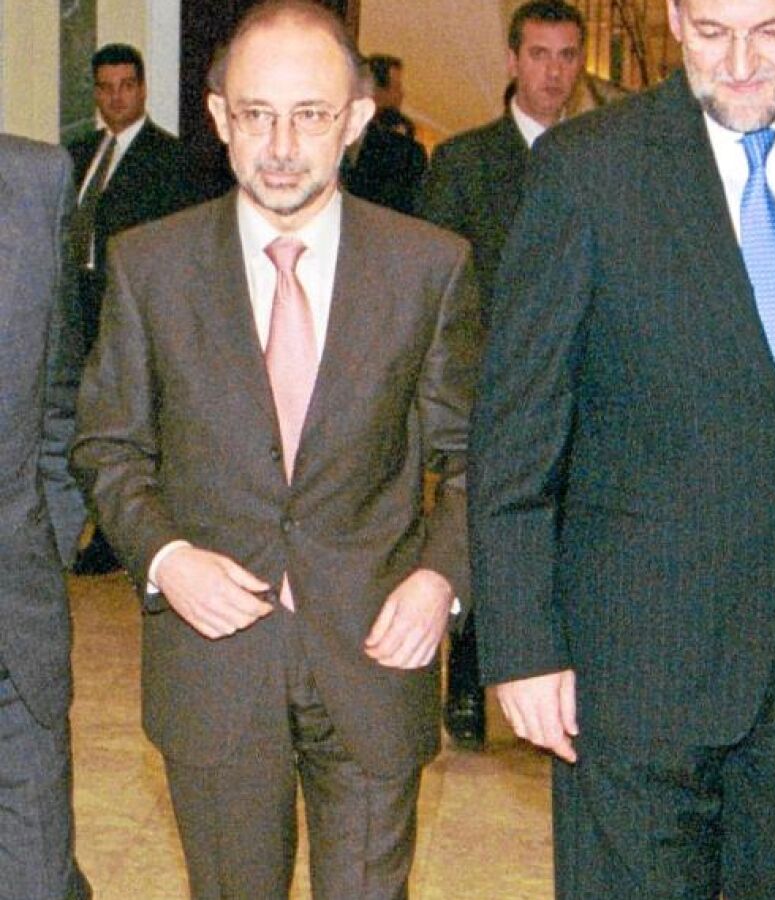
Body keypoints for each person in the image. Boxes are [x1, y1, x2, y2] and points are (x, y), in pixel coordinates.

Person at [470, 0, 775, 894]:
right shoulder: (588, 166)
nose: (739, 63)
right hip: (631, 664)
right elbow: (518, 428)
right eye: (710, 32)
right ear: (673, 16)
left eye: (769, 30)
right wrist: (520, 642)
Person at [70, 2, 481, 896]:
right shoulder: (151, 265)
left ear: (356, 119)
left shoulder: (428, 267)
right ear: (220, 117)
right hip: (213, 662)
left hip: (376, 655)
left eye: (310, 115)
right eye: (257, 115)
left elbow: (472, 459)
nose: (282, 146)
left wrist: (439, 579)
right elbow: (108, 445)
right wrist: (166, 557)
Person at [419, 0, 626, 750]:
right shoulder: (465, 161)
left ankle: (566, 682)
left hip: (585, 388)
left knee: (571, 540)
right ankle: (469, 682)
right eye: (540, 54)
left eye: (568, 56)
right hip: (490, 387)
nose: (554, 72)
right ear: (513, 61)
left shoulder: (607, 157)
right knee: (491, 529)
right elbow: (436, 282)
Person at [65, 42, 200, 576]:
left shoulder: (170, 159)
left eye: (126, 86)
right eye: (105, 88)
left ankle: (119, 536)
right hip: (78, 311)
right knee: (86, 425)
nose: (116, 97)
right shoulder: (78, 153)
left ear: (142, 89)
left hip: (132, 313)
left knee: (128, 427)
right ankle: (89, 522)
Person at [0, 133, 93, 900]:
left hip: (15, 629)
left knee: (39, 879)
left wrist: (46, 538)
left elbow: (62, 391)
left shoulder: (37, 181)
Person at [342, 54, 428, 216]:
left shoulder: (405, 146)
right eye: (397, 87)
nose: (401, 94)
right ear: (377, 91)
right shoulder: (406, 152)